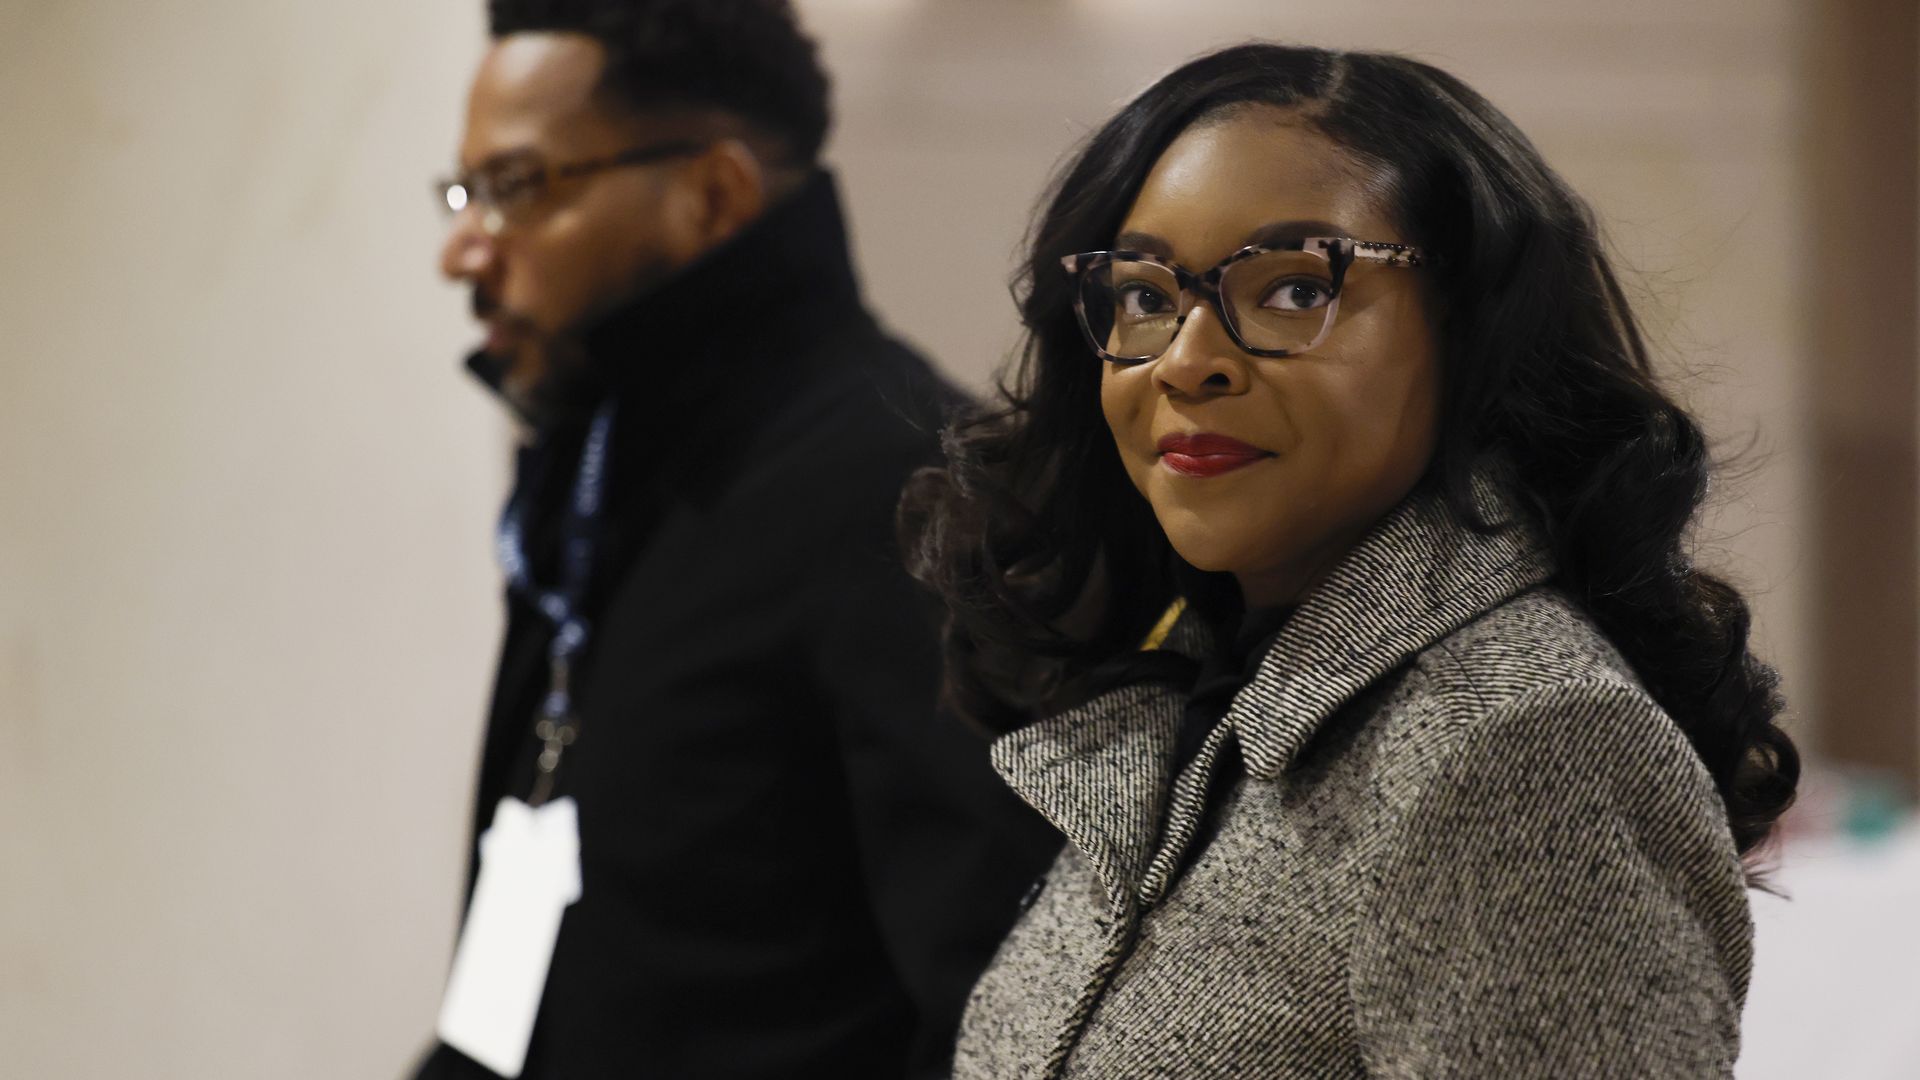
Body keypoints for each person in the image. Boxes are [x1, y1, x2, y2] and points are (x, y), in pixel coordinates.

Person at [901, 42, 1801, 1077]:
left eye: (1291, 288)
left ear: (1473, 333)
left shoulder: (1523, 749)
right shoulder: (1216, 704)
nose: (1188, 360)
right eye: (1146, 295)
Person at [415, 2, 1059, 1077]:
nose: (463, 249)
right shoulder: (599, 480)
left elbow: (1000, 1006)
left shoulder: (908, 499)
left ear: (712, 194)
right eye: (464, 189)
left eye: (518, 188)